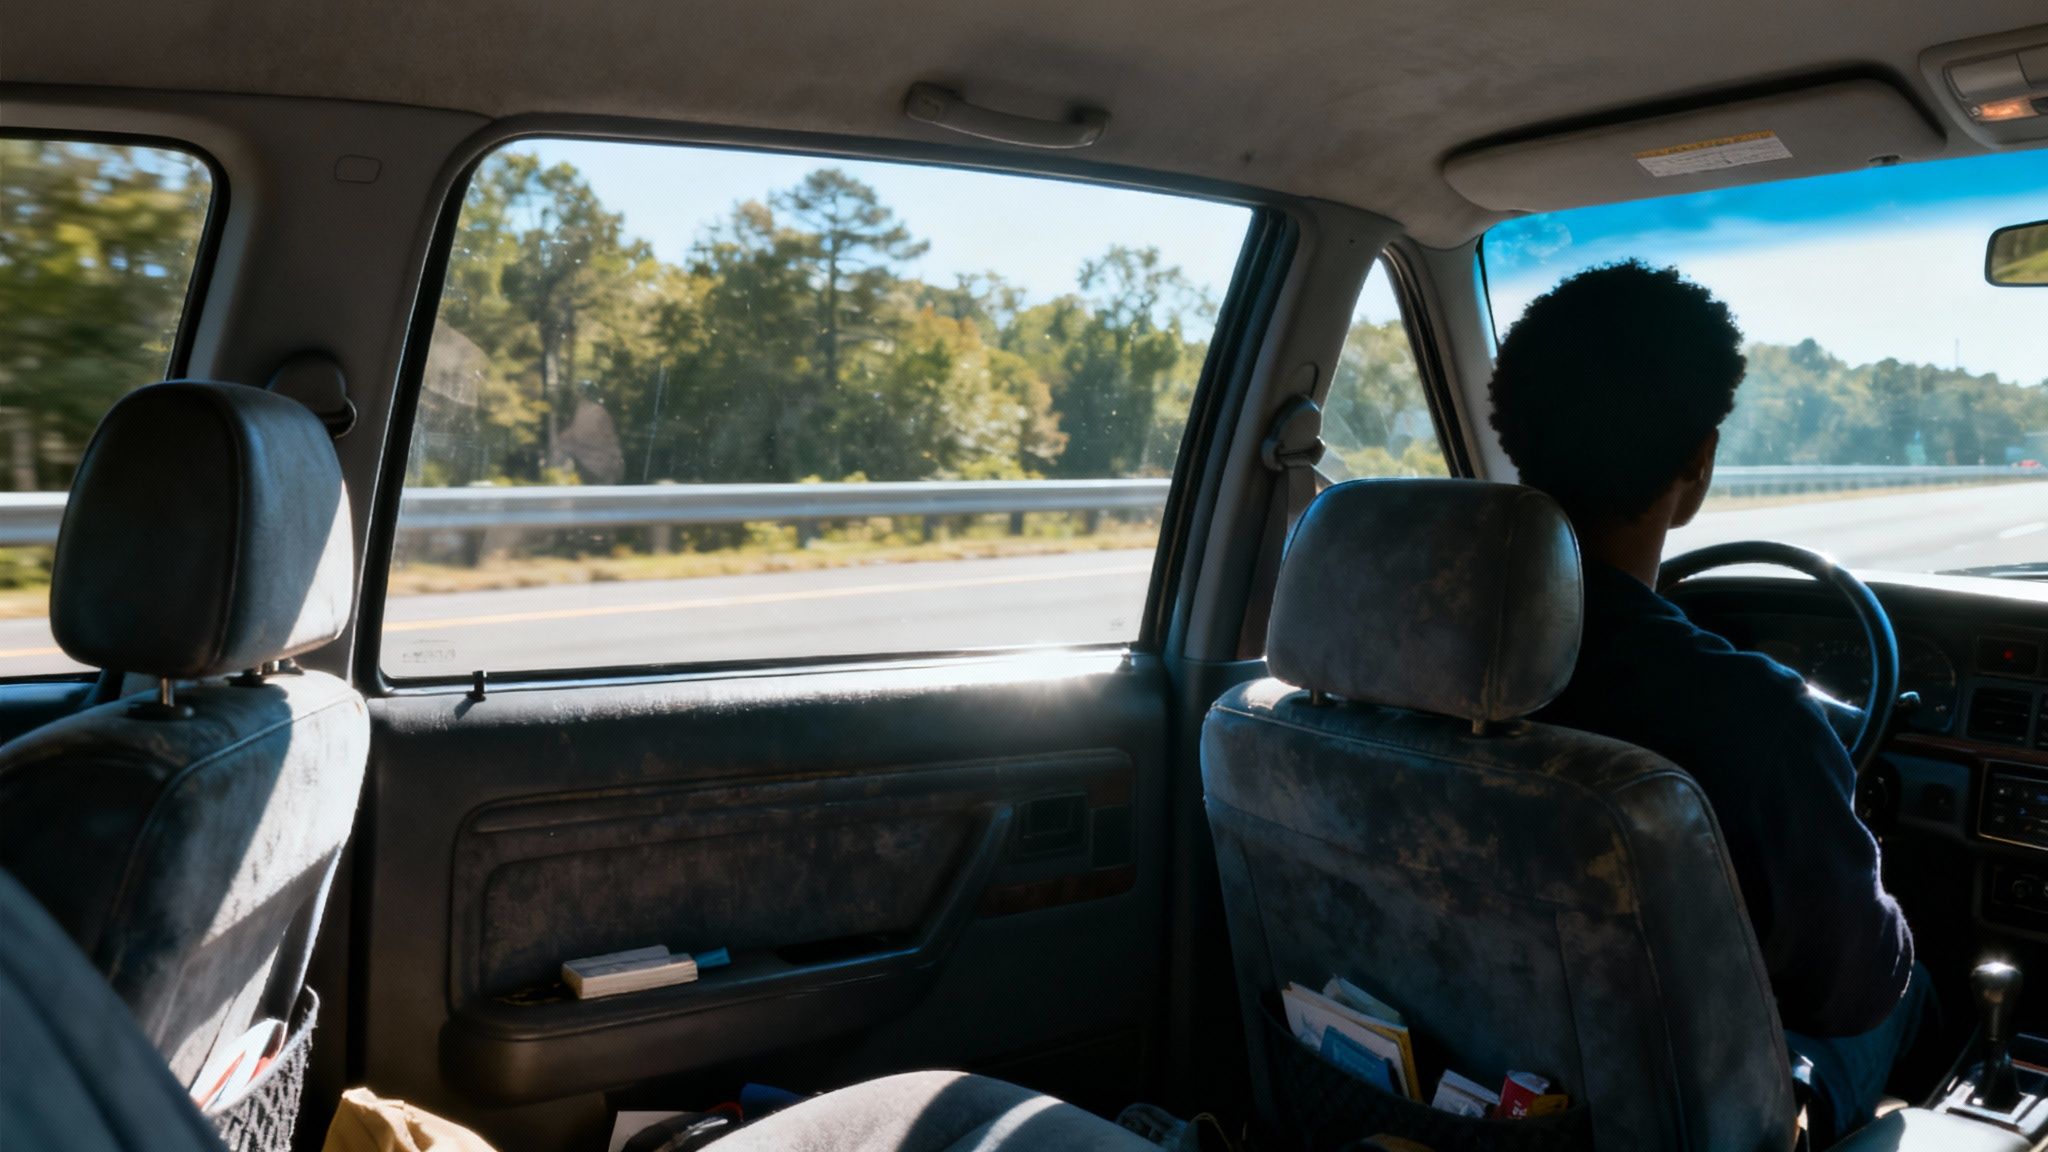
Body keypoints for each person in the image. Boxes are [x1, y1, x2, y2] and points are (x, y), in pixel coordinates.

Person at [1485, 260, 1927, 1141]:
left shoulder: (1392, 675)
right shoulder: (1753, 718)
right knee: (1909, 980)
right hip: (1684, 1121)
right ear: (1698, 462)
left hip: (1457, 1077)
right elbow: (1849, 988)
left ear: (1517, 442)